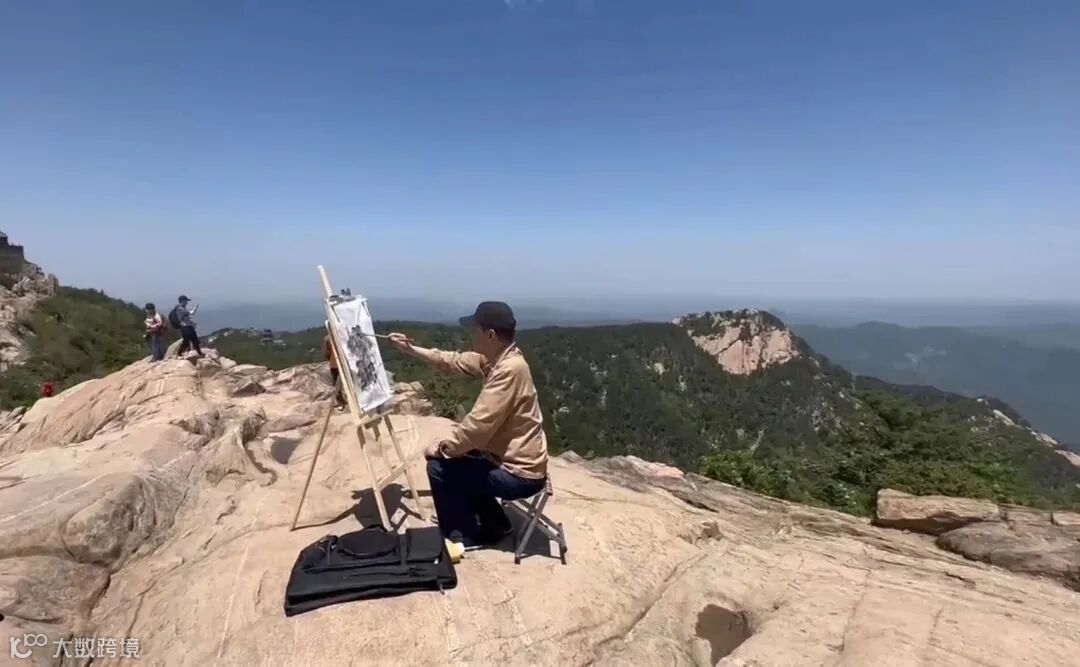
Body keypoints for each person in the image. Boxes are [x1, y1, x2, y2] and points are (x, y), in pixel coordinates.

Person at [388, 301, 548, 547]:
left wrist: (443, 448)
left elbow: (477, 428)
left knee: (439, 468)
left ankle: (463, 535)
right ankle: (496, 523)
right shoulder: (498, 359)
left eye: (475, 329)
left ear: (490, 335)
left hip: (519, 473)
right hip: (510, 462)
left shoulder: (509, 370)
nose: (471, 333)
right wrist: (409, 349)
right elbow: (452, 361)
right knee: (465, 459)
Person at [323, 332, 346, 410]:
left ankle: (341, 402)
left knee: (337, 384)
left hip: (335, 364)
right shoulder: (341, 335)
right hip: (339, 364)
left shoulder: (328, 339)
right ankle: (341, 401)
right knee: (339, 384)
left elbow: (326, 354)